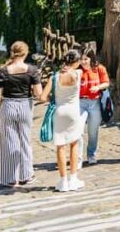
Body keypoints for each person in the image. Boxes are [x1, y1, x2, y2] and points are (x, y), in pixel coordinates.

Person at [0, 41, 42, 187]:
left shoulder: (2, 71)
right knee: (25, 141)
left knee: (9, 142)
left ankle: (10, 178)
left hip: (8, 105)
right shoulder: (32, 70)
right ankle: (26, 175)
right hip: (25, 106)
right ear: (26, 53)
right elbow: (38, 93)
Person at [40, 50, 85, 192]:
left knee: (60, 146)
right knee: (74, 144)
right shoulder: (78, 74)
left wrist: (52, 99)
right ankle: (73, 178)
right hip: (73, 112)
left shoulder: (55, 77)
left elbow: (42, 97)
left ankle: (63, 181)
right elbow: (78, 71)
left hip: (59, 112)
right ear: (76, 62)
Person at [77, 46, 110, 166]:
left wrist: (98, 87)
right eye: (81, 59)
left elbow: (106, 82)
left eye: (86, 59)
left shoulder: (99, 68)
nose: (83, 62)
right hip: (81, 103)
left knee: (93, 131)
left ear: (91, 58)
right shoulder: (78, 71)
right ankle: (78, 158)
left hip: (95, 102)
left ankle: (91, 154)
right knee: (78, 131)